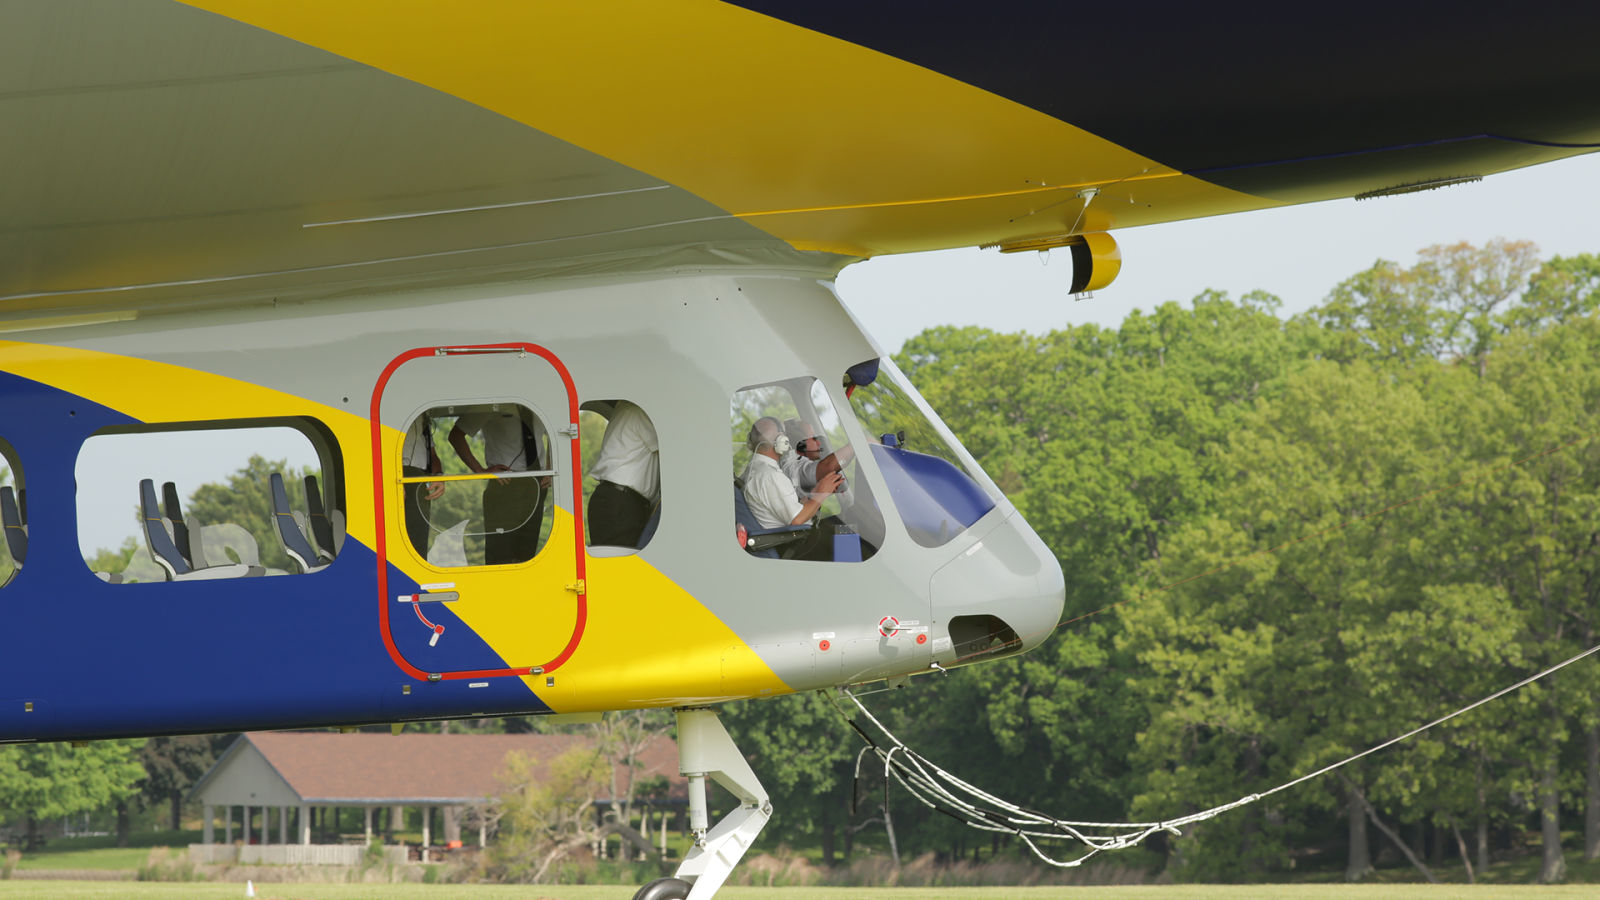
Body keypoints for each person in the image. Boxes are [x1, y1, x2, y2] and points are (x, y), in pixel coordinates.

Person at [448, 407, 547, 565]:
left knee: (528, 555)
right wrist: (480, 470)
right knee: (500, 555)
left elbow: (558, 435)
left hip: (537, 485)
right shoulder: (492, 404)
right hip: (505, 486)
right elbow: (455, 435)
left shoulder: (540, 405)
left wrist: (550, 468)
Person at [742, 416, 842, 531]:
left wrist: (809, 499)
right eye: (785, 436)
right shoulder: (771, 476)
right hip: (797, 542)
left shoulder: (755, 469)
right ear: (780, 440)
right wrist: (822, 492)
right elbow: (797, 520)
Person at [587, 401, 659, 548]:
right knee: (621, 564)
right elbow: (668, 445)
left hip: (611, 500)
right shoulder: (638, 411)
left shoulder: (624, 409)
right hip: (622, 504)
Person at [401, 414, 445, 557]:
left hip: (419, 481)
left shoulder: (423, 418)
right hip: (397, 477)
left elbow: (432, 454)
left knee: (418, 539)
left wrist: (438, 475)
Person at [780, 418, 854, 500]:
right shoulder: (793, 467)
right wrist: (855, 446)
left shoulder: (798, 461)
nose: (819, 443)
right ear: (800, 444)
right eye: (813, 438)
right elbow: (828, 467)